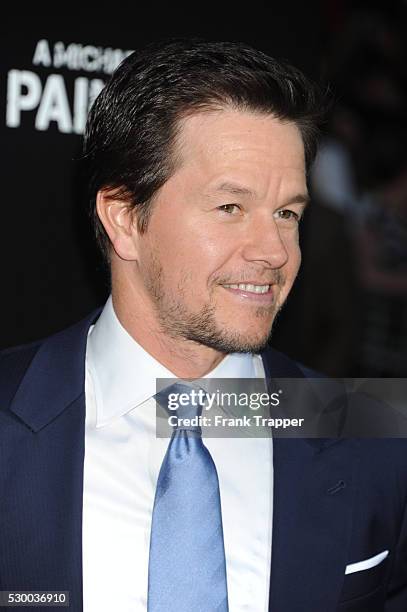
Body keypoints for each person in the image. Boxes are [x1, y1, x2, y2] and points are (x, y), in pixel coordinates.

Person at [0, 39, 406, 612]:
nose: (274, 250)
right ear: (123, 218)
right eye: (230, 208)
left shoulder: (372, 431)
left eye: (287, 213)